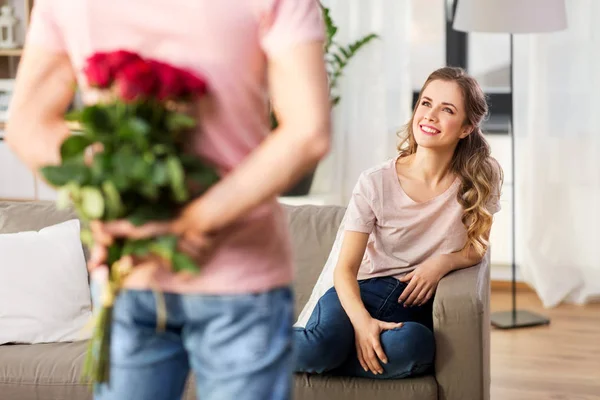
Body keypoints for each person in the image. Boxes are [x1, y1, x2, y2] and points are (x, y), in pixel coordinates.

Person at [5, 0, 331, 399]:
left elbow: (27, 125)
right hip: (239, 273)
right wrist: (193, 222)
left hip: (132, 267)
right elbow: (308, 130)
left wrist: (121, 210)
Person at [294, 66, 503, 379]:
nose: (430, 115)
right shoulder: (375, 182)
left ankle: (335, 359)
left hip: (410, 309)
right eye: (425, 103)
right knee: (318, 347)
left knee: (414, 346)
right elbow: (345, 269)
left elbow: (478, 247)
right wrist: (363, 324)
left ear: (466, 127)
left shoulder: (482, 176)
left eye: (447, 109)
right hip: (358, 294)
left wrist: (442, 263)